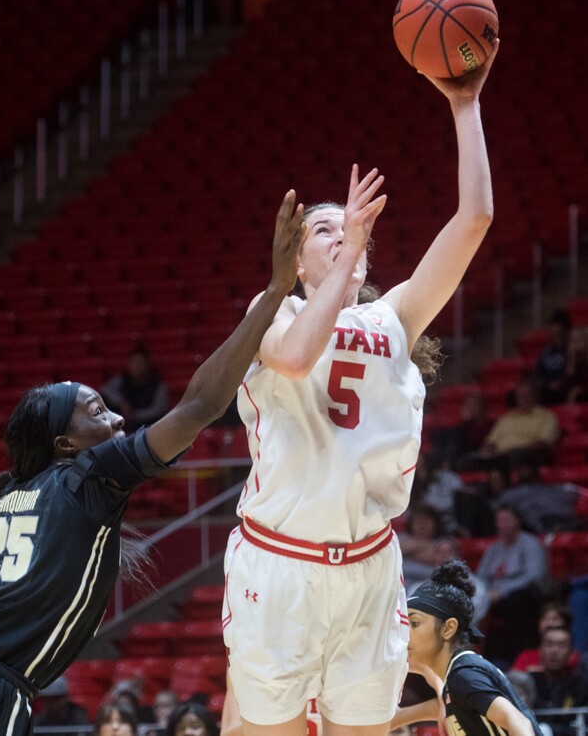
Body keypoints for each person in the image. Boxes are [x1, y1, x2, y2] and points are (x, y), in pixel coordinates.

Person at [0, 191, 306, 736]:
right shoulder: (91, 474)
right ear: (66, 444)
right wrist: (276, 290)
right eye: (97, 411)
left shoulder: (3, 498)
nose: (116, 420)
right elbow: (200, 406)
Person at [222, 39, 500, 736]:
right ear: (298, 253)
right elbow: (292, 360)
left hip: (371, 568)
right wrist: (345, 263)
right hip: (279, 563)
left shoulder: (394, 315)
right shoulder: (272, 310)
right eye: (324, 228)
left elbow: (474, 222)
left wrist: (465, 106)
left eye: (346, 228)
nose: (340, 232)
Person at [391, 559, 544, 736]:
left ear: (448, 629)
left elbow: (518, 721)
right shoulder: (456, 681)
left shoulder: (464, 674)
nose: (406, 632)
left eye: (415, 623)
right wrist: (400, 717)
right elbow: (447, 702)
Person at [476, 505, 549, 667]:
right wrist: (487, 592)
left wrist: (502, 591)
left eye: (507, 520)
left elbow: (534, 576)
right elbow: (480, 577)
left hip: (526, 595)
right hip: (494, 597)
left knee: (517, 601)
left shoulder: (530, 543)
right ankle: (480, 657)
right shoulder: (493, 549)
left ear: (517, 522)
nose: (503, 525)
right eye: (500, 521)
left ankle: (512, 657)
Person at [460, 378, 560, 471]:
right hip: (500, 457)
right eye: (520, 395)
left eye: (527, 395)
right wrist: (487, 449)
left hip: (528, 457)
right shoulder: (506, 418)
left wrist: (518, 450)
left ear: (536, 396)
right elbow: (491, 441)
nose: (523, 398)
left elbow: (544, 443)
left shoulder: (547, 417)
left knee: (515, 455)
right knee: (465, 463)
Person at [528, 626, 588, 736]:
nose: (555, 651)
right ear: (540, 650)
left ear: (571, 653)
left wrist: (549, 730)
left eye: (561, 645)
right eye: (549, 644)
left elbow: (583, 727)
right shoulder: (528, 681)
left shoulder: (583, 687)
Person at [100, 343, 170, 433]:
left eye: (141, 362)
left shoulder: (159, 384)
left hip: (148, 428)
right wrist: (121, 402)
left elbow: (158, 410)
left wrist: (134, 415)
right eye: (134, 362)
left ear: (148, 364)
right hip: (123, 425)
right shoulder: (122, 379)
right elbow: (105, 390)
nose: (137, 366)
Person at [512, 603, 580, 674]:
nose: (549, 623)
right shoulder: (526, 656)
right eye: (544, 618)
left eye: (555, 619)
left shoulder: (575, 659)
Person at [399, 505, 445, 587]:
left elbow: (433, 557)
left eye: (426, 521)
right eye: (418, 521)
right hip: (402, 583)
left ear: (435, 523)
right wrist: (431, 547)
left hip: (431, 584)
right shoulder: (402, 537)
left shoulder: (444, 541)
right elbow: (401, 547)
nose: (422, 526)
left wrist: (409, 552)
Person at [533, 310, 572, 406]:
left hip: (563, 389)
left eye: (559, 334)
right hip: (546, 388)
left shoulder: (571, 350)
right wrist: (544, 383)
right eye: (553, 335)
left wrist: (560, 382)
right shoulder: (546, 352)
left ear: (566, 333)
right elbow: (538, 373)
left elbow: (571, 374)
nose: (556, 339)